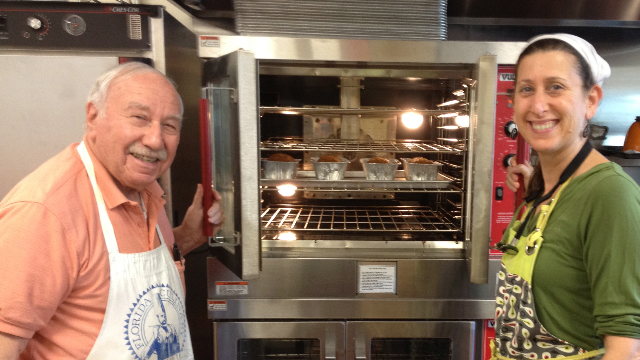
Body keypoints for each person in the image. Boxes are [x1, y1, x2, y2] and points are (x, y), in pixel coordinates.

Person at [0, 62, 225, 359]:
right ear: (93, 116)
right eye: (139, 118)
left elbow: (105, 277)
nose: (155, 140)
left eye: (169, 125)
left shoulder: (143, 188)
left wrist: (188, 236)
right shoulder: (45, 213)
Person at [492, 33, 640, 360]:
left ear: (591, 100)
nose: (538, 104)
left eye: (556, 87)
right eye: (527, 89)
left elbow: (626, 350)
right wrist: (534, 181)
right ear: (513, 103)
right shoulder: (544, 190)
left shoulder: (609, 195)